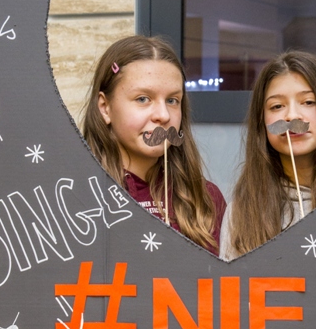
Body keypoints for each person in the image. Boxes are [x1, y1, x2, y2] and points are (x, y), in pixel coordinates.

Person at [83, 35, 226, 254]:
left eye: (172, 100)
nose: (163, 115)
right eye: (143, 99)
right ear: (105, 107)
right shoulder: (79, 196)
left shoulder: (206, 198)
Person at [221, 50, 316, 259]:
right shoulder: (243, 212)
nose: (291, 115)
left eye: (308, 102)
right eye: (277, 106)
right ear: (262, 122)